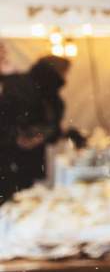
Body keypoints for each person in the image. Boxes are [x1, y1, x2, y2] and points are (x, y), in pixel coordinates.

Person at [0, 56, 73, 202]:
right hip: (11, 160)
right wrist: (17, 137)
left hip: (22, 161)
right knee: (13, 203)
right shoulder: (25, 87)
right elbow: (10, 119)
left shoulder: (45, 93)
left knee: (20, 201)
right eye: (65, 72)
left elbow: (49, 128)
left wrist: (46, 134)